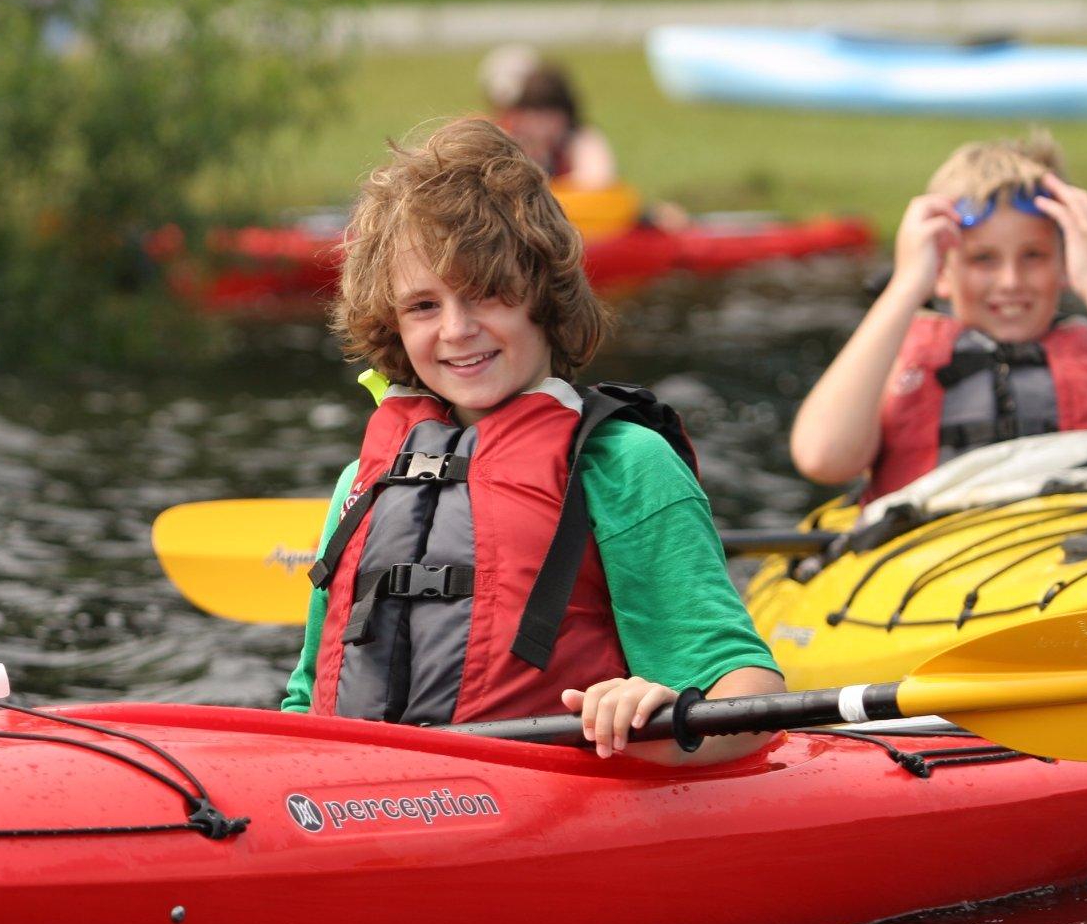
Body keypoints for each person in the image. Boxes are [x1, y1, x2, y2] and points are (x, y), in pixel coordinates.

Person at [280, 118, 783, 765]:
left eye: (486, 294)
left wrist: (650, 711)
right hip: (358, 805)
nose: (458, 330)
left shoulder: (622, 465)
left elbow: (751, 692)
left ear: (542, 296)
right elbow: (302, 705)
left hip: (549, 808)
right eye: (424, 306)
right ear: (392, 323)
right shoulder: (362, 484)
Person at [789, 132, 1087, 499]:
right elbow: (822, 457)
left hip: (1070, 565)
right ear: (942, 270)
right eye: (983, 259)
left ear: (1065, 262)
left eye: (1034, 256)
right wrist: (906, 286)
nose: (1011, 281)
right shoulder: (896, 369)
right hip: (931, 567)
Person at [503, 64, 618, 191]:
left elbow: (598, 180)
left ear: (565, 115)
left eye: (547, 116)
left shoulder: (580, 140)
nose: (539, 126)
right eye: (533, 115)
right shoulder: (514, 143)